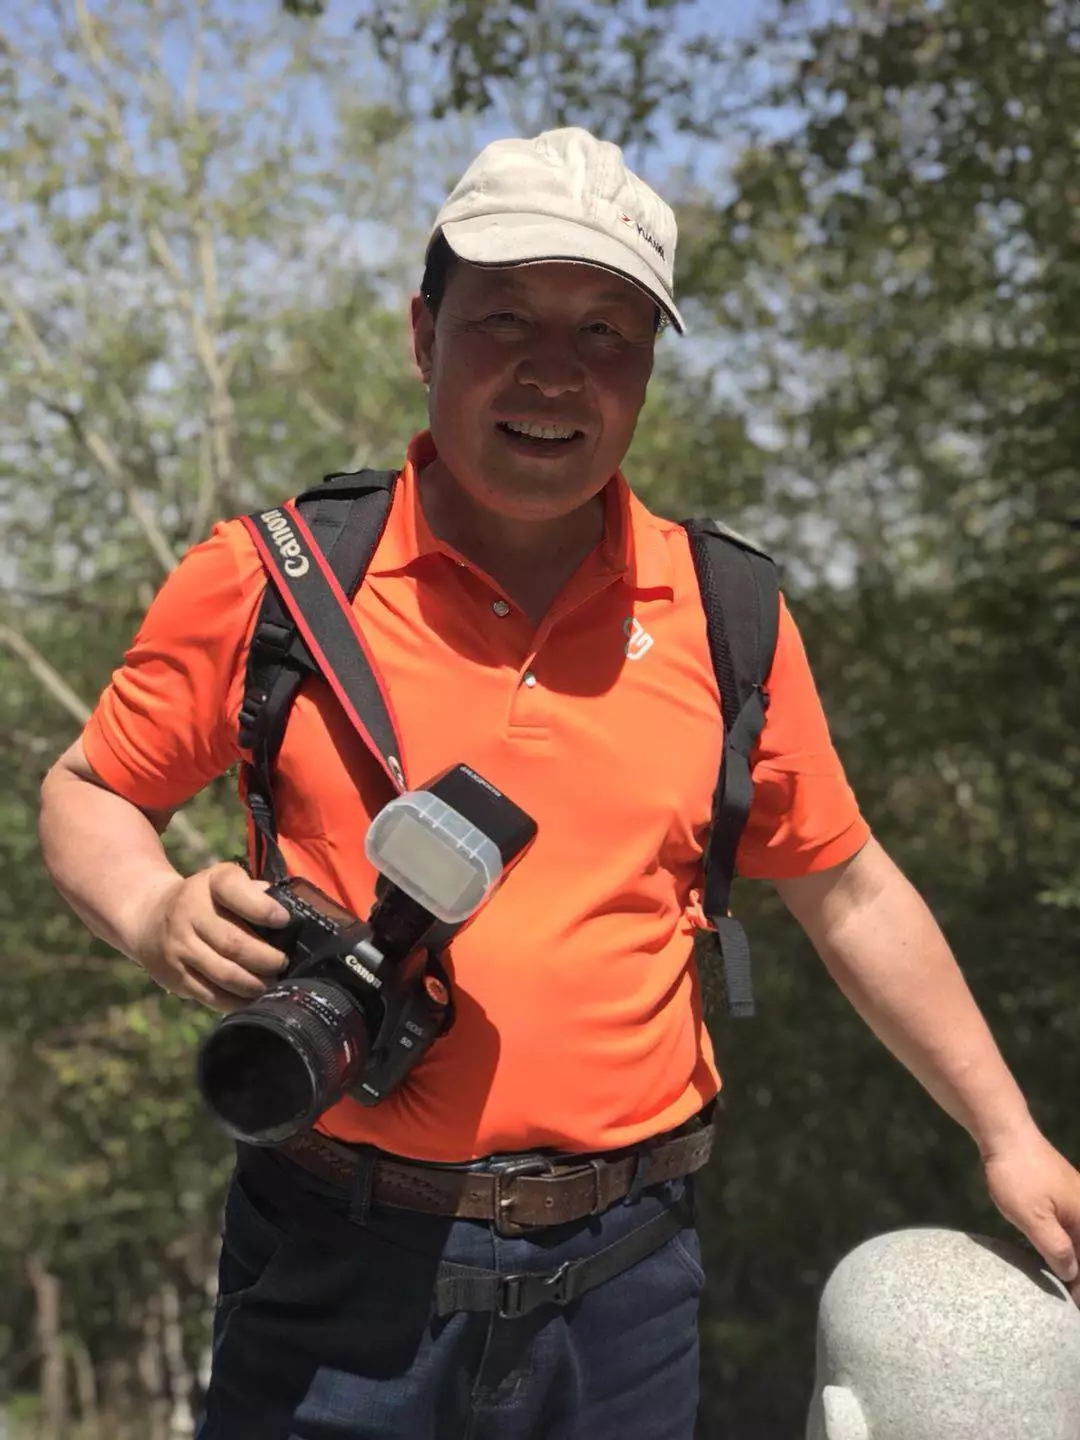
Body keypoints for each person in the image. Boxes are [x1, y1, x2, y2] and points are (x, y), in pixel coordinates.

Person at [39, 126, 1080, 1440]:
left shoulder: (728, 613)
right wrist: (150, 912)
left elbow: (849, 890)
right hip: (331, 1261)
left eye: (605, 332)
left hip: (628, 1281)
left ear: (645, 368)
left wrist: (1008, 1133)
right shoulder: (273, 582)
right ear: (424, 334)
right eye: (505, 319)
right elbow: (91, 790)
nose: (554, 370)